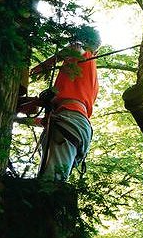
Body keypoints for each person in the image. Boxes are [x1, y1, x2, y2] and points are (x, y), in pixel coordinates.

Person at [24, 25, 101, 181]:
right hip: (71, 124)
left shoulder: (87, 58)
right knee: (48, 180)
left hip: (71, 123)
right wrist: (16, 119)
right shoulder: (83, 81)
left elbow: (76, 50)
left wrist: (45, 65)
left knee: (50, 184)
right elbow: (45, 121)